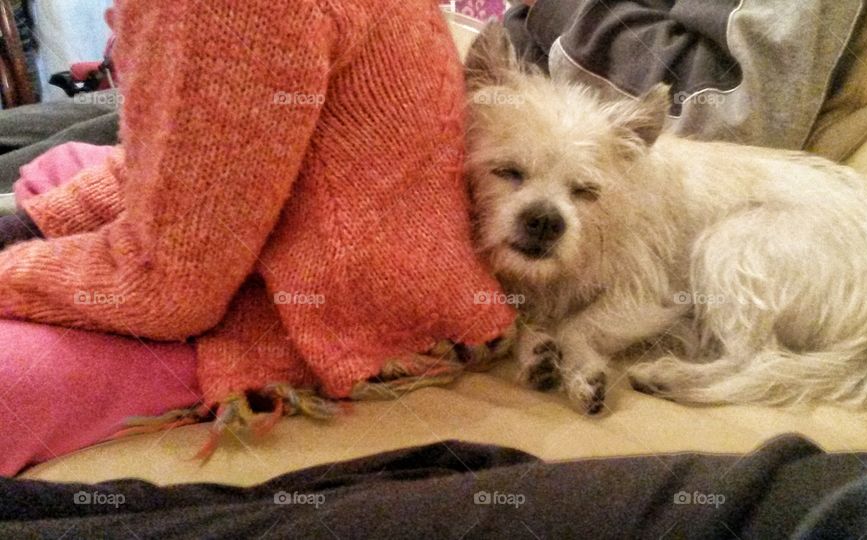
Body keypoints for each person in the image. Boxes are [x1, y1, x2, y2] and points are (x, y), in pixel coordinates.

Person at [0, 0, 515, 476]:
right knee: (57, 168)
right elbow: (182, 158)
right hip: (377, 260)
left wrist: (12, 270)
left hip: (339, 317)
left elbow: (169, 293)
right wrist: (35, 226)